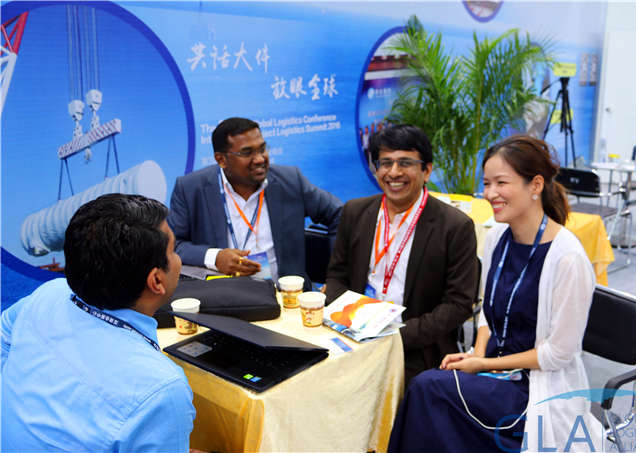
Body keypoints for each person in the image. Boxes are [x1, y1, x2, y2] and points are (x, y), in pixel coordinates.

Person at [387, 135, 603, 453]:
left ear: (535, 185)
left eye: (501, 183)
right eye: (487, 184)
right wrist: (477, 353)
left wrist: (485, 364)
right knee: (429, 392)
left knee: (428, 389)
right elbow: (488, 312)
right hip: (496, 371)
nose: (490, 194)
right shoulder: (497, 237)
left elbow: (557, 355)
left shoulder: (567, 258)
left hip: (536, 387)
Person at [1, 194, 195, 452]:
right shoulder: (162, 390)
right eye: (173, 251)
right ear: (156, 281)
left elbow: (4, 336)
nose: (177, 258)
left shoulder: (48, 295)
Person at [326, 124, 479, 383]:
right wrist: (349, 322)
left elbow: (458, 304)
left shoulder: (455, 226)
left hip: (416, 347)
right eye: (385, 163)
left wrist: (395, 336)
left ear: (426, 170)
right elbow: (337, 276)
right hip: (352, 336)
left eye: (405, 163)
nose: (394, 172)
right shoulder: (355, 212)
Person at [168, 117, 342, 286]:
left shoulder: (290, 181)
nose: (259, 159)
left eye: (262, 149)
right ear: (221, 160)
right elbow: (172, 245)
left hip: (286, 296)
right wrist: (215, 257)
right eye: (247, 152)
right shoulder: (191, 189)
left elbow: (342, 215)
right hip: (224, 296)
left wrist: (337, 275)